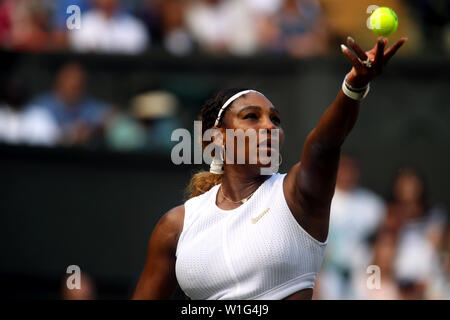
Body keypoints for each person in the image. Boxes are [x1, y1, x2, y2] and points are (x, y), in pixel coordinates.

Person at [132, 36, 407, 300]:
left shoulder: (297, 195)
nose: (269, 127)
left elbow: (323, 145)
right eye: (251, 117)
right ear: (217, 138)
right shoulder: (176, 225)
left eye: (275, 120)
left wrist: (354, 87)